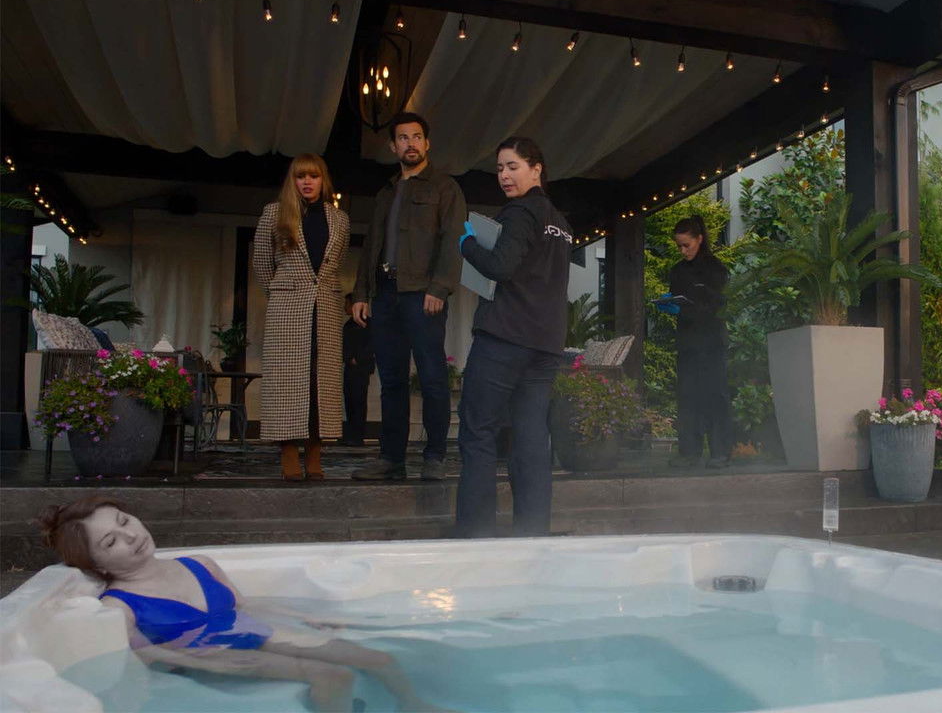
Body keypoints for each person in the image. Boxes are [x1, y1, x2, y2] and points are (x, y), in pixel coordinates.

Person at [37, 496, 431, 713]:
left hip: (250, 631)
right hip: (214, 654)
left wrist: (304, 617)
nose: (130, 536)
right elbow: (142, 654)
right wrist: (207, 663)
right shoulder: (117, 606)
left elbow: (244, 605)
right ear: (98, 565)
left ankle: (416, 706)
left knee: (378, 658)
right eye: (110, 542)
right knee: (335, 676)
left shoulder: (199, 564)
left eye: (124, 521)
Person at [455, 137, 571, 538]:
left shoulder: (520, 212)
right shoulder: (562, 224)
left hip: (505, 338)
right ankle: (532, 535)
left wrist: (468, 245)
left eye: (513, 166)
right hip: (545, 344)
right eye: (500, 168)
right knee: (532, 438)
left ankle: (476, 535)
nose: (504, 175)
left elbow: (501, 267)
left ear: (536, 169)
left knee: (478, 432)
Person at [351, 112, 465, 482]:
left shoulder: (445, 187)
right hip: (385, 294)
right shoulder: (386, 193)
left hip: (422, 294)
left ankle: (435, 456)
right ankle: (391, 458)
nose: (410, 143)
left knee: (432, 376)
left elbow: (454, 239)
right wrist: (361, 292)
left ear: (427, 143)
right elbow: (371, 245)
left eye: (417, 137)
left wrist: (439, 287)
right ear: (393, 146)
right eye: (403, 138)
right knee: (391, 380)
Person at [252, 154, 349, 482]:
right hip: (287, 308)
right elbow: (262, 263)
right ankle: (288, 451)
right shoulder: (274, 213)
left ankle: (316, 452)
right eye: (300, 176)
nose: (307, 182)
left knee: (322, 383)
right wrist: (284, 291)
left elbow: (336, 263)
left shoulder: (340, 219)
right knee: (287, 381)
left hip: (326, 307)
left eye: (313, 176)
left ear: (323, 180)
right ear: (292, 181)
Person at [658, 216, 732, 469]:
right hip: (688, 342)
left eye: (686, 245)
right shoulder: (678, 271)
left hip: (712, 341)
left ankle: (720, 452)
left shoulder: (716, 269)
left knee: (715, 394)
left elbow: (718, 305)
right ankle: (689, 452)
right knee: (687, 395)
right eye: (679, 246)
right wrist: (670, 303)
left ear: (699, 239)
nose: (683, 250)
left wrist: (685, 310)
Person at [339, 294, 375, 446]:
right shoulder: (348, 325)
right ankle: (350, 434)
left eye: (347, 304)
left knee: (359, 401)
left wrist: (359, 359)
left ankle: (358, 435)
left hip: (362, 369)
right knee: (349, 400)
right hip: (349, 368)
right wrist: (348, 358)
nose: (345, 307)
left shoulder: (368, 323)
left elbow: (372, 345)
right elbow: (343, 345)